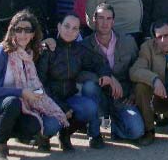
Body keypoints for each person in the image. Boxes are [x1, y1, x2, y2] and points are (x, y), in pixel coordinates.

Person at [0, 10, 68, 160]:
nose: (23, 34)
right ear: (11, 31)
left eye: (27, 30)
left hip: (12, 105)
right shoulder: (1, 52)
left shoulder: (29, 55)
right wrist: (21, 92)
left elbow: (35, 86)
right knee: (13, 102)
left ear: (33, 34)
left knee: (35, 125)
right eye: (18, 29)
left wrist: (43, 99)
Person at [36, 13, 113, 150]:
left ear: (78, 32)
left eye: (75, 28)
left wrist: (105, 74)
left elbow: (98, 62)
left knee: (89, 107)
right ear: (59, 27)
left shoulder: (79, 50)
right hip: (48, 99)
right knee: (53, 123)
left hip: (70, 97)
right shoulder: (48, 49)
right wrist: (60, 106)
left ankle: (65, 134)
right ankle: (44, 136)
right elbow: (39, 83)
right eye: (66, 26)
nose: (70, 31)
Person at [80, 3, 145, 142]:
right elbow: (79, 74)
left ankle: (116, 125)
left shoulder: (128, 42)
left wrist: (134, 93)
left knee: (136, 131)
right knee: (88, 87)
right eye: (101, 18)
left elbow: (138, 69)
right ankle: (94, 133)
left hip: (122, 97)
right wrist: (107, 77)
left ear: (113, 21)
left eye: (109, 18)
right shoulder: (84, 46)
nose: (105, 23)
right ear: (94, 19)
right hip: (99, 97)